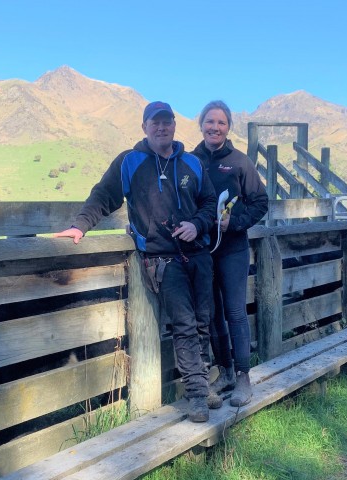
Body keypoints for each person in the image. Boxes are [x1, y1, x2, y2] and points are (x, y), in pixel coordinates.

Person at [54, 101, 217, 422]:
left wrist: (197, 223)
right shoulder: (131, 162)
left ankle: (203, 381)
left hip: (199, 254)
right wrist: (80, 225)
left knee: (202, 322)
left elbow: (210, 202)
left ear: (174, 126)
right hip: (162, 260)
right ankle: (196, 395)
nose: (161, 128)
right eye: (154, 123)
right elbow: (104, 195)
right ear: (144, 127)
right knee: (184, 324)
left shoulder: (192, 163)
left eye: (167, 122)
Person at [191, 100, 268, 408]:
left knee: (235, 312)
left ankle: (243, 377)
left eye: (221, 123)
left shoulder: (239, 161)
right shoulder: (190, 161)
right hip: (202, 251)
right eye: (210, 121)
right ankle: (223, 372)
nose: (215, 127)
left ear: (228, 127)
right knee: (210, 315)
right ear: (201, 124)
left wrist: (233, 222)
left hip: (233, 250)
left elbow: (260, 202)